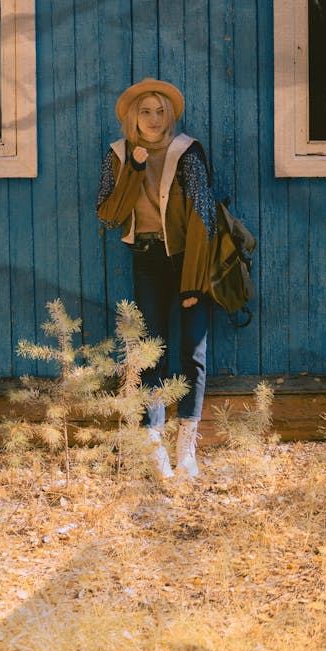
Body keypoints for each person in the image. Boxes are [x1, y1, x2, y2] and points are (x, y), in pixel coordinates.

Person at [96, 78, 217, 478]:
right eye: (145, 111)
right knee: (150, 352)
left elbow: (204, 218)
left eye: (160, 111)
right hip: (146, 258)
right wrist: (134, 168)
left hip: (188, 257)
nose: (153, 118)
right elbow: (109, 215)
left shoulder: (188, 153)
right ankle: (154, 445)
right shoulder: (118, 155)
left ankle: (187, 446)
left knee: (192, 351)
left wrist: (193, 281)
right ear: (134, 117)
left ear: (170, 115)